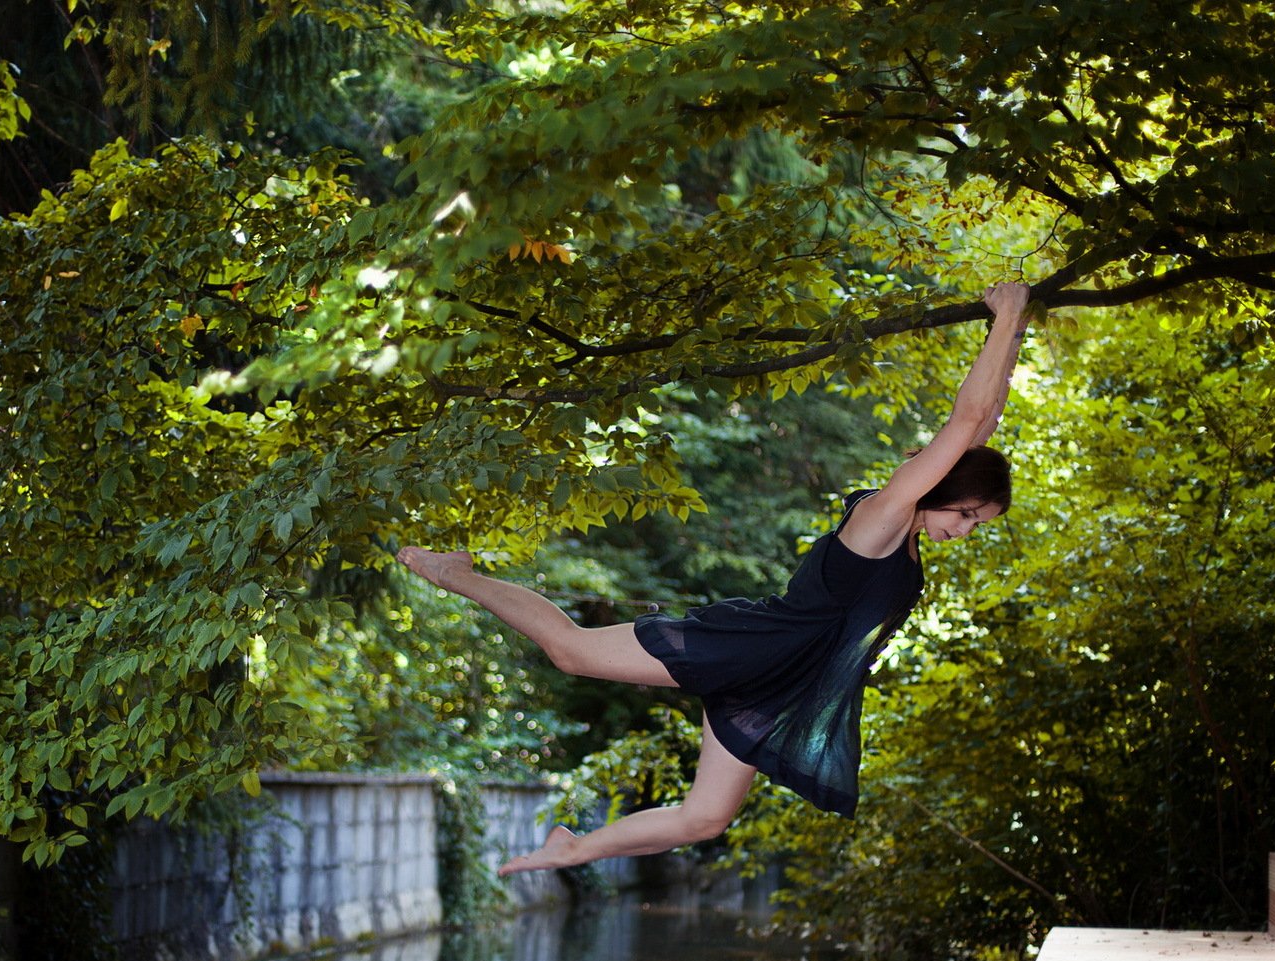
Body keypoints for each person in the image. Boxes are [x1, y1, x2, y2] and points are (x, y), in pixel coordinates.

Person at [399, 282, 1031, 876]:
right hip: (753, 647)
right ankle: (458, 576)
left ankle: (572, 850)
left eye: (981, 523)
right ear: (941, 487)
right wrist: (1007, 313)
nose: (967, 529)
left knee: (705, 818)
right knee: (571, 652)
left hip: (785, 679)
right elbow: (966, 422)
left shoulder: (915, 537)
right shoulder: (886, 518)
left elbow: (985, 423)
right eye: (967, 513)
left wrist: (1017, 325)